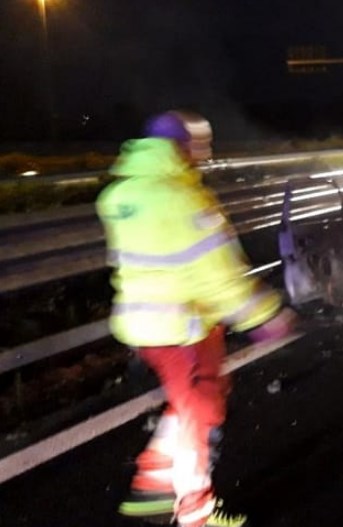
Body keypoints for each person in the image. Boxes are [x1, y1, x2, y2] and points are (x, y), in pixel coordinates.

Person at [96, 110, 297, 527]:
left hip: (143, 325)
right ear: (181, 148)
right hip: (182, 329)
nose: (203, 156)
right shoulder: (185, 199)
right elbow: (219, 275)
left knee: (195, 403)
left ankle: (153, 484)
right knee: (199, 417)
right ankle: (196, 513)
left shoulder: (120, 195)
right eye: (199, 146)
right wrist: (264, 315)